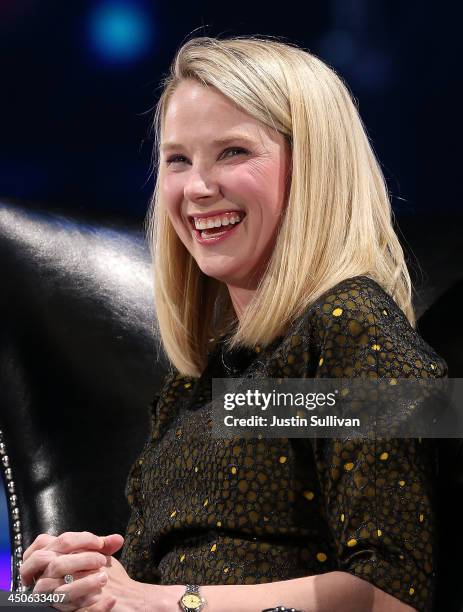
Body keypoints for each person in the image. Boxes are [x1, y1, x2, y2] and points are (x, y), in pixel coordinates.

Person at [19, 36, 446, 612]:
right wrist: (85, 580)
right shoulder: (205, 380)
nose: (196, 187)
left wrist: (168, 601)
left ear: (314, 168)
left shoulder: (356, 329)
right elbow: (160, 582)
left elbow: (393, 594)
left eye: (233, 152)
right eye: (178, 159)